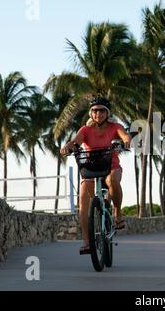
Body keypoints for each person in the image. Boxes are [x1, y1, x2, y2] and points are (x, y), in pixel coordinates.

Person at [60, 96, 131, 255]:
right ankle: (87, 242)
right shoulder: (85, 129)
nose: (98, 113)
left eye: (101, 110)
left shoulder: (115, 127)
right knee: (83, 203)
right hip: (91, 169)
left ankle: (117, 214)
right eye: (94, 110)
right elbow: (75, 141)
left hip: (110, 167)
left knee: (113, 180)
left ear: (107, 113)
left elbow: (125, 136)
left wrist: (126, 141)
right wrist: (67, 147)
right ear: (91, 113)